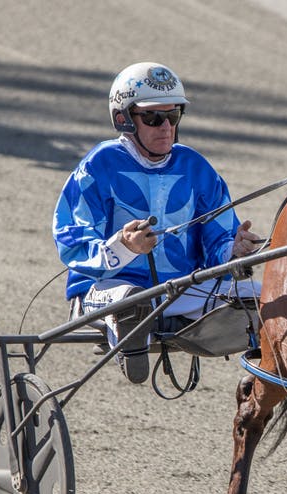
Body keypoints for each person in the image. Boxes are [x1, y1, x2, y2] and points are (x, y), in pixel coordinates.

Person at [53, 61, 261, 383]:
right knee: (130, 298)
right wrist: (122, 247)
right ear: (124, 119)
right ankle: (130, 334)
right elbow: (71, 239)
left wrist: (232, 248)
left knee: (272, 297)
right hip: (104, 291)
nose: (166, 126)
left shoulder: (195, 166)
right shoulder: (99, 164)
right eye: (153, 117)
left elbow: (217, 235)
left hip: (181, 290)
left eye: (173, 115)